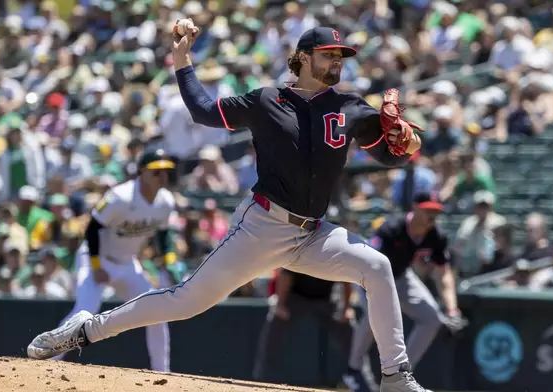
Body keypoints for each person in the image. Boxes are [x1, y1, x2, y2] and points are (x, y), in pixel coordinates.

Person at [27, 23, 427, 392]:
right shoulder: (267, 100)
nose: (336, 62)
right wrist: (183, 63)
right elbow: (203, 111)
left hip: (314, 233)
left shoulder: (351, 106)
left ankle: (394, 375)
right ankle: (86, 330)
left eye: (340, 56)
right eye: (328, 54)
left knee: (377, 266)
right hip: (262, 226)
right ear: (303, 57)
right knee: (184, 302)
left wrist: (407, 147)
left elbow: (388, 157)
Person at [44, 149, 175, 372]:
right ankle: (49, 360)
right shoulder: (121, 196)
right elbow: (93, 228)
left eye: (165, 171)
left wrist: (169, 259)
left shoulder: (165, 201)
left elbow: (163, 235)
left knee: (156, 311)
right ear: (142, 172)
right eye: (156, 171)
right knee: (84, 312)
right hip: (97, 259)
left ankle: (163, 372)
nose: (162, 176)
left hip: (127, 263)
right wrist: (96, 265)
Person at [343, 193, 466, 392]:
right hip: (369, 276)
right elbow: (369, 258)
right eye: (428, 210)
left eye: (436, 211)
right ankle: (353, 369)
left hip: (401, 276)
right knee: (374, 315)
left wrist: (452, 310)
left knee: (432, 318)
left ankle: (400, 376)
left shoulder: (435, 235)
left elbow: (444, 274)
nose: (433, 215)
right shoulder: (391, 228)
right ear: (415, 208)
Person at [252, 270, 363, 382]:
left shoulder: (334, 253)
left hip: (327, 297)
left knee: (350, 329)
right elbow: (285, 274)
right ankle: (262, 377)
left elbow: (345, 279)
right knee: (275, 321)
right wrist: (280, 304)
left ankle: (361, 377)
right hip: (296, 296)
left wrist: (346, 308)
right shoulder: (298, 252)